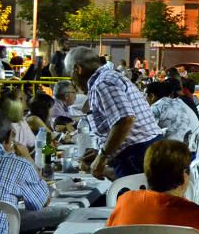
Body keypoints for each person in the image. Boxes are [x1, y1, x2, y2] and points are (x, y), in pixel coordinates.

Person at [66, 46, 164, 179]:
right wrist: (103, 151)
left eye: (71, 76)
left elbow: (125, 120)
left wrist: (102, 157)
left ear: (78, 69)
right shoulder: (110, 77)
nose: (73, 82)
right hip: (144, 150)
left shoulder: (102, 83)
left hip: (136, 154)